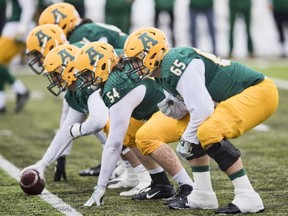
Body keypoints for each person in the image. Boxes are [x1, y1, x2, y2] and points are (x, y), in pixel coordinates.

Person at [123, 27, 279, 213]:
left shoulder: (175, 63)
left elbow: (203, 108)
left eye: (136, 59)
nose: (133, 65)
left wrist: (187, 139)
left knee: (206, 131)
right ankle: (203, 194)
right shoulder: (162, 72)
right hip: (225, 98)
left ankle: (248, 195)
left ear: (153, 53)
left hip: (258, 91)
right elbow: (187, 109)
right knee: (172, 128)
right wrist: (174, 108)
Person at [74, 42, 218, 209]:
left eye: (86, 74)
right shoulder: (115, 64)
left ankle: (187, 186)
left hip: (179, 110)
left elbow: (114, 145)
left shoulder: (116, 85)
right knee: (128, 133)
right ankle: (161, 183)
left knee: (145, 137)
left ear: (103, 66)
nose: (84, 80)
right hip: (163, 108)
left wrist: (100, 188)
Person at [21, 43, 151, 194]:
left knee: (111, 128)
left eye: (56, 75)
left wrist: (77, 130)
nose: (54, 80)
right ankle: (133, 174)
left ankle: (145, 176)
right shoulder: (74, 92)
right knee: (110, 130)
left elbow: (98, 122)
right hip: (134, 114)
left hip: (148, 110)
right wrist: (43, 164)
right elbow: (65, 131)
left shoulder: (90, 86)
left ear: (68, 70)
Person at [34, 2, 130, 177]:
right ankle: (124, 164)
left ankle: (129, 167)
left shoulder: (79, 44)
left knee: (106, 121)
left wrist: (70, 137)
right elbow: (70, 110)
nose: (40, 61)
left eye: (38, 55)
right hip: (123, 72)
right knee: (99, 117)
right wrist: (55, 157)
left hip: (130, 72)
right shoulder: (76, 50)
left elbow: (81, 119)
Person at [0, 0, 35, 114]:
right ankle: (1, 103)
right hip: (12, 26)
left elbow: (28, 7)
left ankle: (20, 90)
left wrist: (22, 28)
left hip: (15, 28)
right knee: (2, 66)